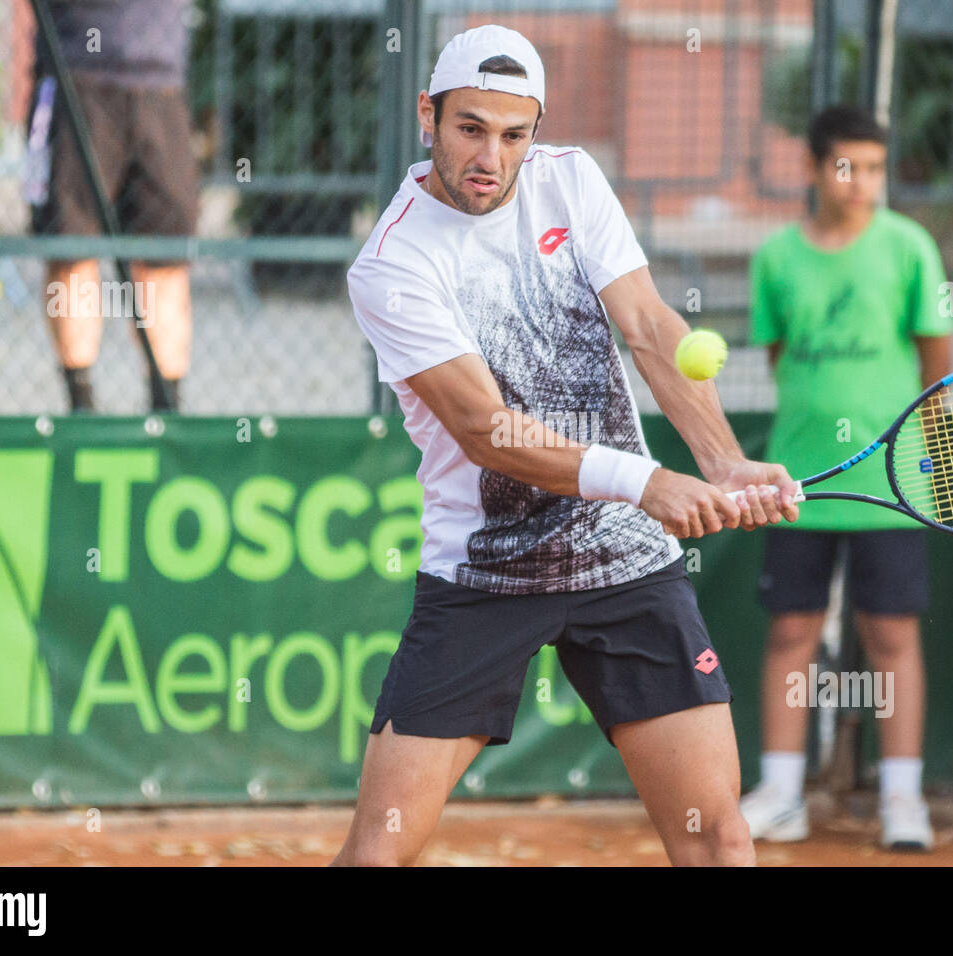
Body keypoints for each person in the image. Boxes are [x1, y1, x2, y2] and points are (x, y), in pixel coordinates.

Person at [336, 24, 801, 867]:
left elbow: (654, 330)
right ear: (426, 116)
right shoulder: (392, 263)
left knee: (719, 838)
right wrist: (649, 482)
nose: (492, 156)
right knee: (380, 851)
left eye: (515, 134)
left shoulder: (573, 182)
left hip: (626, 564)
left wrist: (724, 462)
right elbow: (487, 431)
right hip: (486, 569)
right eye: (470, 128)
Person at [740, 105, 953, 850]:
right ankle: (780, 792)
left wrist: (920, 448)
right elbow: (778, 359)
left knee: (891, 633)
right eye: (846, 166)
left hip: (895, 483)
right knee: (790, 630)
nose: (861, 182)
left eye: (873, 168)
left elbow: (936, 362)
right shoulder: (774, 258)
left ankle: (901, 802)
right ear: (812, 168)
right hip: (796, 481)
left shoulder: (911, 248)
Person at [26, 0, 196, 412]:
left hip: (161, 84)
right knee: (71, 251)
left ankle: (166, 413)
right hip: (75, 79)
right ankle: (81, 408)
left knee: (163, 259)